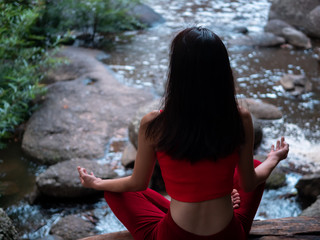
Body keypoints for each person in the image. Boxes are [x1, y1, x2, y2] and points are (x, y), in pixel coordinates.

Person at [77, 27, 289, 240]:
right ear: (222, 70)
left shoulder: (155, 123)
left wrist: (97, 183)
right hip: (229, 234)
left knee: (116, 190)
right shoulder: (239, 117)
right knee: (254, 166)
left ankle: (182, 207)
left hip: (173, 235)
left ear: (176, 71)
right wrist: (273, 159)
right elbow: (250, 183)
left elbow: (137, 184)